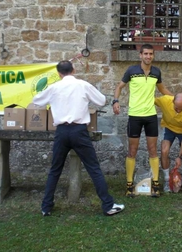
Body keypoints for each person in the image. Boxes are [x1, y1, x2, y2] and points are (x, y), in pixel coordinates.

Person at [32, 60, 124, 216]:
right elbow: (101, 100)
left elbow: (37, 100)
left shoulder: (54, 87)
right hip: (79, 131)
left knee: (55, 170)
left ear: (59, 73)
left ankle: (46, 207)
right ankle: (108, 205)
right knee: (93, 169)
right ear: (73, 70)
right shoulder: (82, 85)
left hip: (61, 131)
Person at [113, 44, 173, 198]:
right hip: (134, 115)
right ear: (140, 55)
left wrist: (176, 100)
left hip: (151, 116)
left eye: (150, 54)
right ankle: (129, 184)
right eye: (145, 54)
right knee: (132, 151)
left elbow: (162, 89)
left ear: (153, 56)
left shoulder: (156, 72)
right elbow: (119, 87)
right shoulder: (131, 71)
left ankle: (155, 183)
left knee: (153, 150)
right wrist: (115, 101)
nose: (148, 56)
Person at [154, 93, 182, 194]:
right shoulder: (165, 100)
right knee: (164, 150)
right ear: (173, 102)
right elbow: (150, 100)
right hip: (169, 128)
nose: (179, 111)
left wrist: (179, 157)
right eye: (177, 108)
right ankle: (167, 181)